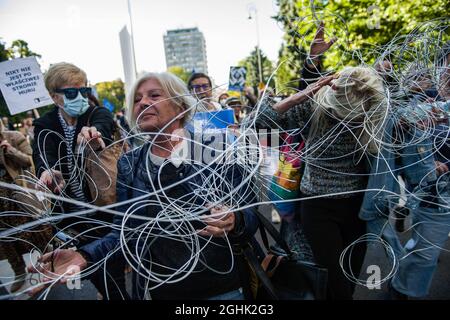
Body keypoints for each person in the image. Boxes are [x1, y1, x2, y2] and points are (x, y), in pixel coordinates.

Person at [28, 72, 260, 300]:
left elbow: (250, 216)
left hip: (221, 288)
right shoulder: (130, 163)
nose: (143, 103)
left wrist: (234, 220)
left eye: (154, 95)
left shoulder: (215, 149)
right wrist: (84, 255)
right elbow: (124, 233)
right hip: (161, 289)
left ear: (180, 107)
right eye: (137, 99)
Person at [255, 66, 387, 299]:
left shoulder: (373, 108)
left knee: (349, 278)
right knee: (333, 284)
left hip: (358, 207)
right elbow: (258, 126)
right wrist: (296, 98)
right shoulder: (316, 107)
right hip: (318, 207)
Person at [31, 62, 128, 299]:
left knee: (112, 272)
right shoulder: (44, 124)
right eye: (71, 93)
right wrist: (47, 172)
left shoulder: (96, 113)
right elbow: (43, 156)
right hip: (73, 217)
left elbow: (102, 127)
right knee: (96, 269)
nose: (80, 97)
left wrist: (94, 134)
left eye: (84, 91)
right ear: (55, 97)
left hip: (104, 207)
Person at [0, 119, 51, 293]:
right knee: (6, 239)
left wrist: (10, 150)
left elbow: (29, 161)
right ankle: (19, 272)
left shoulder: (14, 137)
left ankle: (49, 261)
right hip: (1, 203)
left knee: (35, 233)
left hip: (20, 196)